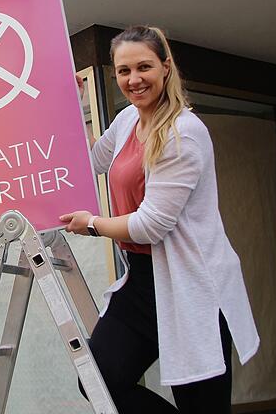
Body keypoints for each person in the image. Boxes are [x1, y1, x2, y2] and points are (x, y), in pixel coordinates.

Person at [60, 26, 259, 413]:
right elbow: (92, 162)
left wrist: (92, 224)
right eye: (123, 71)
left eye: (144, 67)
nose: (133, 80)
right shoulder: (127, 121)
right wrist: (78, 106)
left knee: (200, 403)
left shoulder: (183, 133)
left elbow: (151, 224)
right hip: (141, 280)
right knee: (97, 379)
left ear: (165, 68)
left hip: (191, 283)